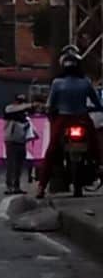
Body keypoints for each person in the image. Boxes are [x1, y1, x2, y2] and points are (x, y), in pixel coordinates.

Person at [38, 48, 103, 198]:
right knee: (95, 147)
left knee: (51, 151)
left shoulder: (57, 83)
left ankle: (41, 186)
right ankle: (100, 169)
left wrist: (49, 110)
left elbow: (50, 104)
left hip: (63, 119)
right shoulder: (85, 82)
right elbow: (97, 103)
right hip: (82, 118)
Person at [3, 94, 37, 195]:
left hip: (21, 142)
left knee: (19, 166)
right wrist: (30, 105)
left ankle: (16, 186)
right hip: (11, 141)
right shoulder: (9, 109)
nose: (20, 103)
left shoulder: (25, 115)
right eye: (19, 101)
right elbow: (12, 109)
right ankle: (10, 186)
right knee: (11, 165)